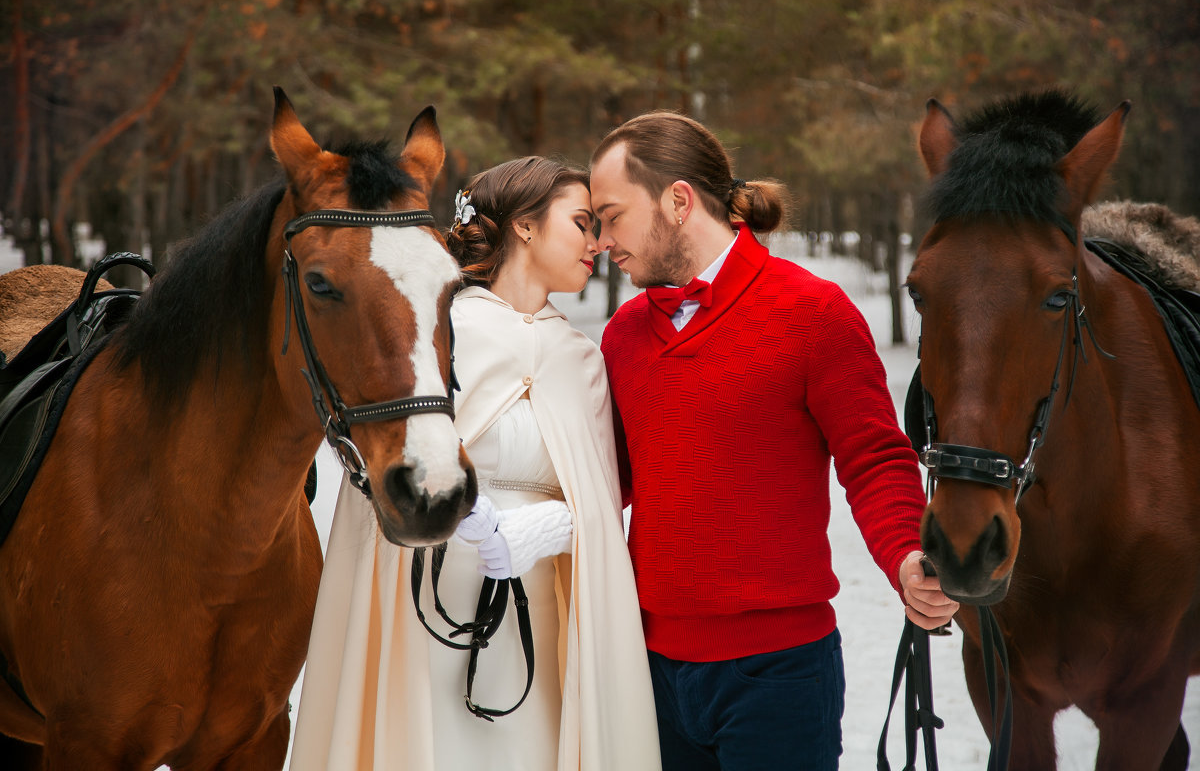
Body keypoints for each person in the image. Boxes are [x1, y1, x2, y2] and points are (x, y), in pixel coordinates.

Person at [588, 112, 959, 771]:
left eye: (612, 215)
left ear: (677, 201)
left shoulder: (813, 314)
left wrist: (907, 555)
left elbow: (874, 458)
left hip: (780, 677)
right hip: (647, 670)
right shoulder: (621, 336)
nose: (601, 239)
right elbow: (600, 481)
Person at [290, 157, 660, 771]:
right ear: (525, 227)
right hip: (422, 612)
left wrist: (545, 530)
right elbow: (387, 465)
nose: (596, 243)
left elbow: (598, 501)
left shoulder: (582, 361)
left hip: (538, 619)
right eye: (581, 222)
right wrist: (471, 517)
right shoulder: (439, 334)